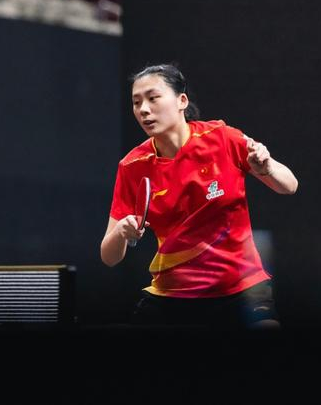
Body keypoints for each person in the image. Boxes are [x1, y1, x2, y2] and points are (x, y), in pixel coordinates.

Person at [100, 64, 298, 329]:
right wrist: (121, 233)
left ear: (181, 101)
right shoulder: (132, 166)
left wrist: (267, 168)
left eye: (153, 98)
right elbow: (109, 257)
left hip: (241, 289)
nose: (144, 109)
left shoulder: (222, 138)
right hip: (172, 295)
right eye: (136, 103)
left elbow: (289, 185)